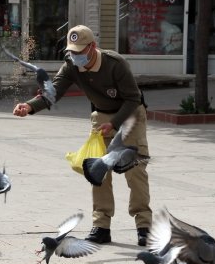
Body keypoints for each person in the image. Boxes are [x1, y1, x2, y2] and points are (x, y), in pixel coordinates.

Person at [12, 25, 152, 246]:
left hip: (129, 116)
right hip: (101, 117)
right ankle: (101, 226)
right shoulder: (71, 65)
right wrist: (29, 107)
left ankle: (144, 226)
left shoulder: (115, 64)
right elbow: (53, 91)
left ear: (92, 47)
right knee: (98, 170)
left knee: (134, 171)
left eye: (79, 51)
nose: (75, 56)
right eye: (72, 51)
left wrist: (114, 123)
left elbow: (133, 99)